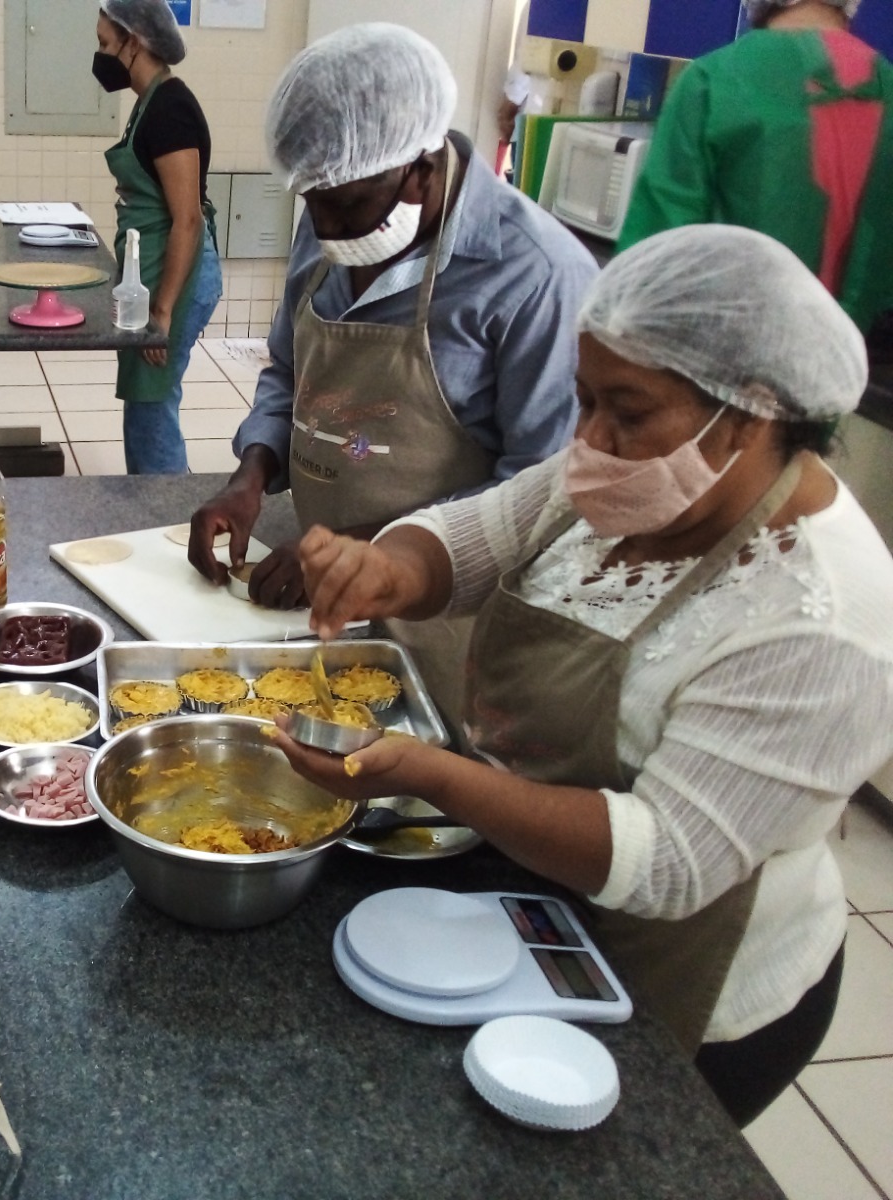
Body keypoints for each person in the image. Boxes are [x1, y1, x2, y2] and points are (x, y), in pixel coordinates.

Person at [278, 224, 893, 1126]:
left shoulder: (825, 621)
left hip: (685, 984)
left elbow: (668, 864)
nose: (592, 440)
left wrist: (427, 774)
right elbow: (476, 535)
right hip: (539, 895)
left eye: (628, 411)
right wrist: (388, 567)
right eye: (584, 401)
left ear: (753, 410)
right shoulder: (633, 474)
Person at [187, 23, 595, 722]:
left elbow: (542, 497)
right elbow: (289, 373)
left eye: (346, 205)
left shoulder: (536, 278)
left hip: (453, 628)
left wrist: (361, 556)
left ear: (423, 167)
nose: (326, 227)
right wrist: (250, 477)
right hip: (323, 613)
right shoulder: (325, 226)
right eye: (311, 202)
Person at [618, 0, 893, 334]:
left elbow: (653, 259)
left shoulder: (714, 80)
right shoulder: (885, 85)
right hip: (851, 366)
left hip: (721, 358)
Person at [94, 0, 221, 475]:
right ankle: (151, 511)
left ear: (136, 41)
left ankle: (170, 519)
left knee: (152, 407)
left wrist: (162, 312)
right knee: (144, 403)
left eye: (107, 43)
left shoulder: (171, 109)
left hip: (178, 278)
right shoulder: (148, 103)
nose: (102, 55)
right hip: (153, 273)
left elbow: (186, 219)